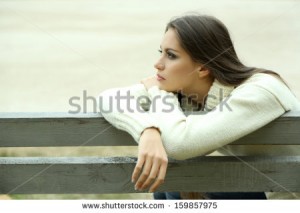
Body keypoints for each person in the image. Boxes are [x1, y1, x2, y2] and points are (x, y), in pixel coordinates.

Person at [98, 14, 300, 199]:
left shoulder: (261, 90)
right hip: (261, 186)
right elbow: (108, 97)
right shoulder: (183, 89)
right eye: (161, 52)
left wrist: (158, 94)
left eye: (171, 55)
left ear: (203, 67)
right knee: (174, 180)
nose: (157, 64)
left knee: (176, 176)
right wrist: (147, 130)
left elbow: (180, 145)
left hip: (286, 199)